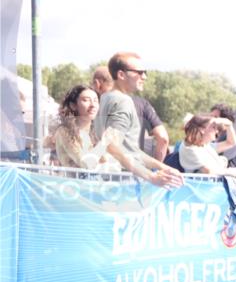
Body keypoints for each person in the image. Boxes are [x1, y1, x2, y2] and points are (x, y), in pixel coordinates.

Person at [52, 85, 182, 187]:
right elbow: (86, 164)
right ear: (73, 105)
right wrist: (104, 142)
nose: (93, 105)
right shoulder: (65, 131)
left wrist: (165, 168)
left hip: (99, 191)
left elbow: (131, 153)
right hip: (78, 193)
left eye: (96, 101)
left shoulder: (96, 130)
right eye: (86, 100)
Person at [94, 52, 183, 183]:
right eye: (139, 72)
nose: (144, 77)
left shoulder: (105, 97)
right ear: (121, 75)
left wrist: (162, 167)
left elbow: (130, 151)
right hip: (122, 183)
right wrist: (151, 176)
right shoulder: (123, 101)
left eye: (145, 72)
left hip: (110, 179)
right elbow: (111, 144)